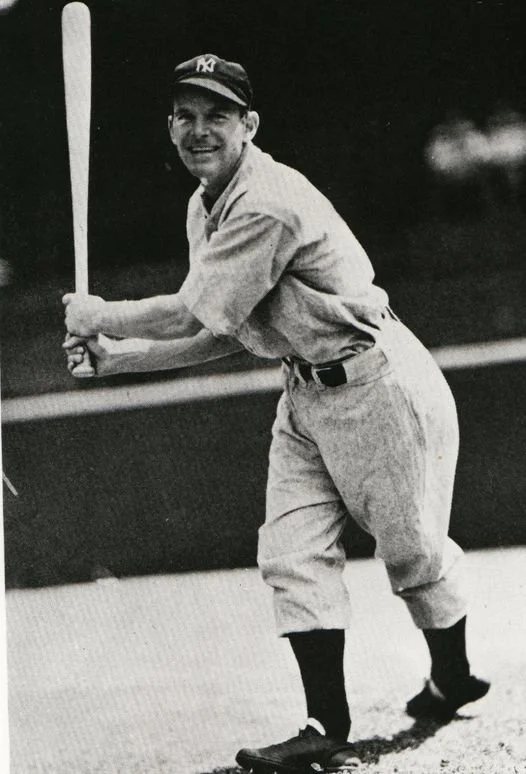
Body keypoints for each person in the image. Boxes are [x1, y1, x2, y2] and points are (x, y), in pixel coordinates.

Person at [63, 54, 490, 773]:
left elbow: (187, 311)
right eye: (186, 115)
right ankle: (325, 724)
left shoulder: (268, 200)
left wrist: (99, 314)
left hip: (376, 381)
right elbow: (219, 327)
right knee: (290, 554)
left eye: (218, 115)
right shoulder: (204, 207)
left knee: (413, 552)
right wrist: (117, 359)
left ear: (249, 125)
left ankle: (453, 675)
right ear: (170, 126)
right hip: (304, 392)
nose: (200, 130)